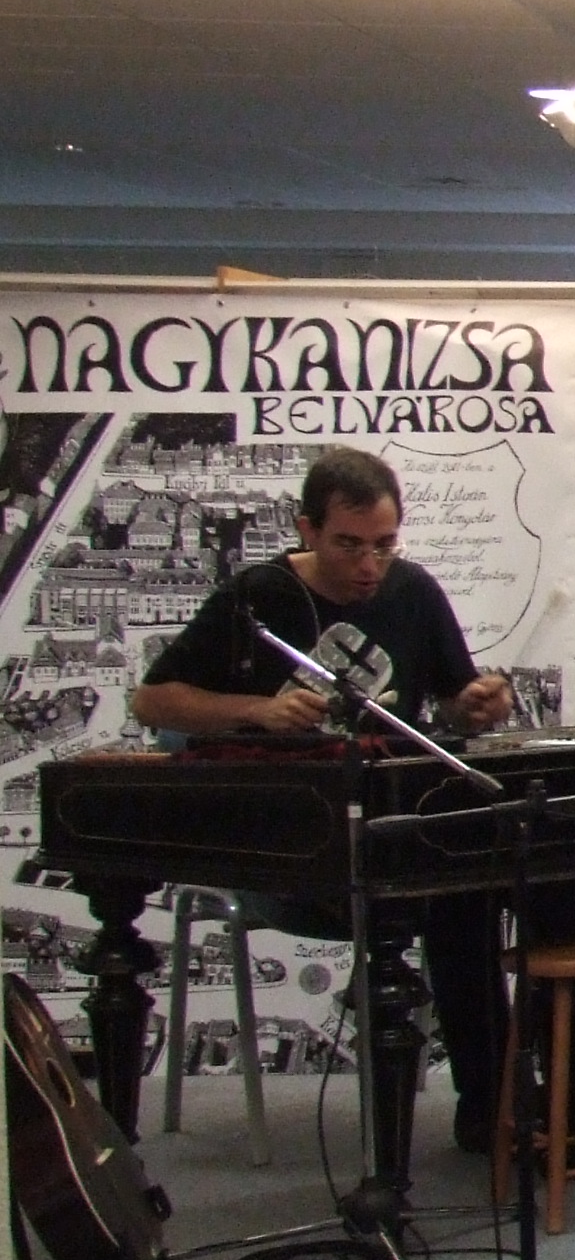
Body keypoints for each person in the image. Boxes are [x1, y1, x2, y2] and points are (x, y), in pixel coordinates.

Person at [131, 446, 526, 1154]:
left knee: (468, 890)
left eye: (384, 545)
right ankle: (406, 1145)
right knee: (430, 894)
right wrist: (256, 710)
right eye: (349, 545)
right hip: (286, 852)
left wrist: (477, 704)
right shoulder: (259, 597)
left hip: (389, 829)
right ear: (307, 529)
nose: (370, 565)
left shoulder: (413, 591)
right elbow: (155, 700)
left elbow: (454, 704)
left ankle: (489, 1109)